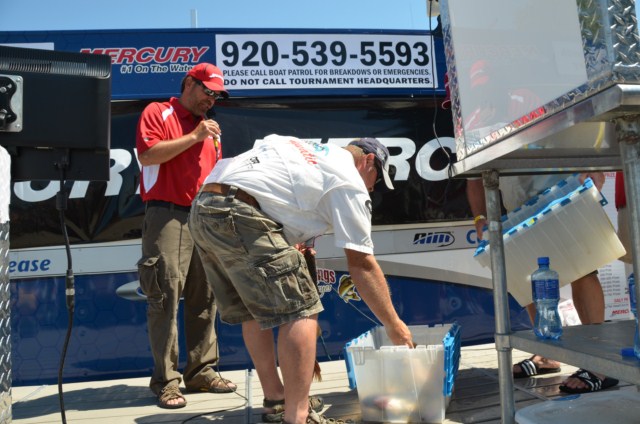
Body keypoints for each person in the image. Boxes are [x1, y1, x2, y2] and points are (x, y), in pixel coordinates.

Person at [188, 135, 414, 424]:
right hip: (240, 212)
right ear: (368, 160)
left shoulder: (301, 147)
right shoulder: (348, 181)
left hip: (204, 207)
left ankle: (276, 400)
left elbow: (264, 178)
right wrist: (395, 326)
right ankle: (298, 417)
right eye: (376, 178)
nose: (372, 187)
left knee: (252, 309)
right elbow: (362, 264)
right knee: (302, 310)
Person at [136, 62, 237, 409]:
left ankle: (201, 371)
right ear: (190, 83)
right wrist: (194, 137)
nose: (212, 100)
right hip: (167, 215)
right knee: (164, 296)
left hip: (204, 217)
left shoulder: (211, 129)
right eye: (208, 92)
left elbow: (214, 176)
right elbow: (147, 155)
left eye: (217, 96)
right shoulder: (158, 112)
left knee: (205, 297)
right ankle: (166, 381)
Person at [467, 173, 619, 393]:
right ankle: (546, 354)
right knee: (530, 276)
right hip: (518, 205)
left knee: (583, 270)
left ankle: (598, 363)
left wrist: (593, 166)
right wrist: (480, 217)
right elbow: (474, 176)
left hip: (563, 190)